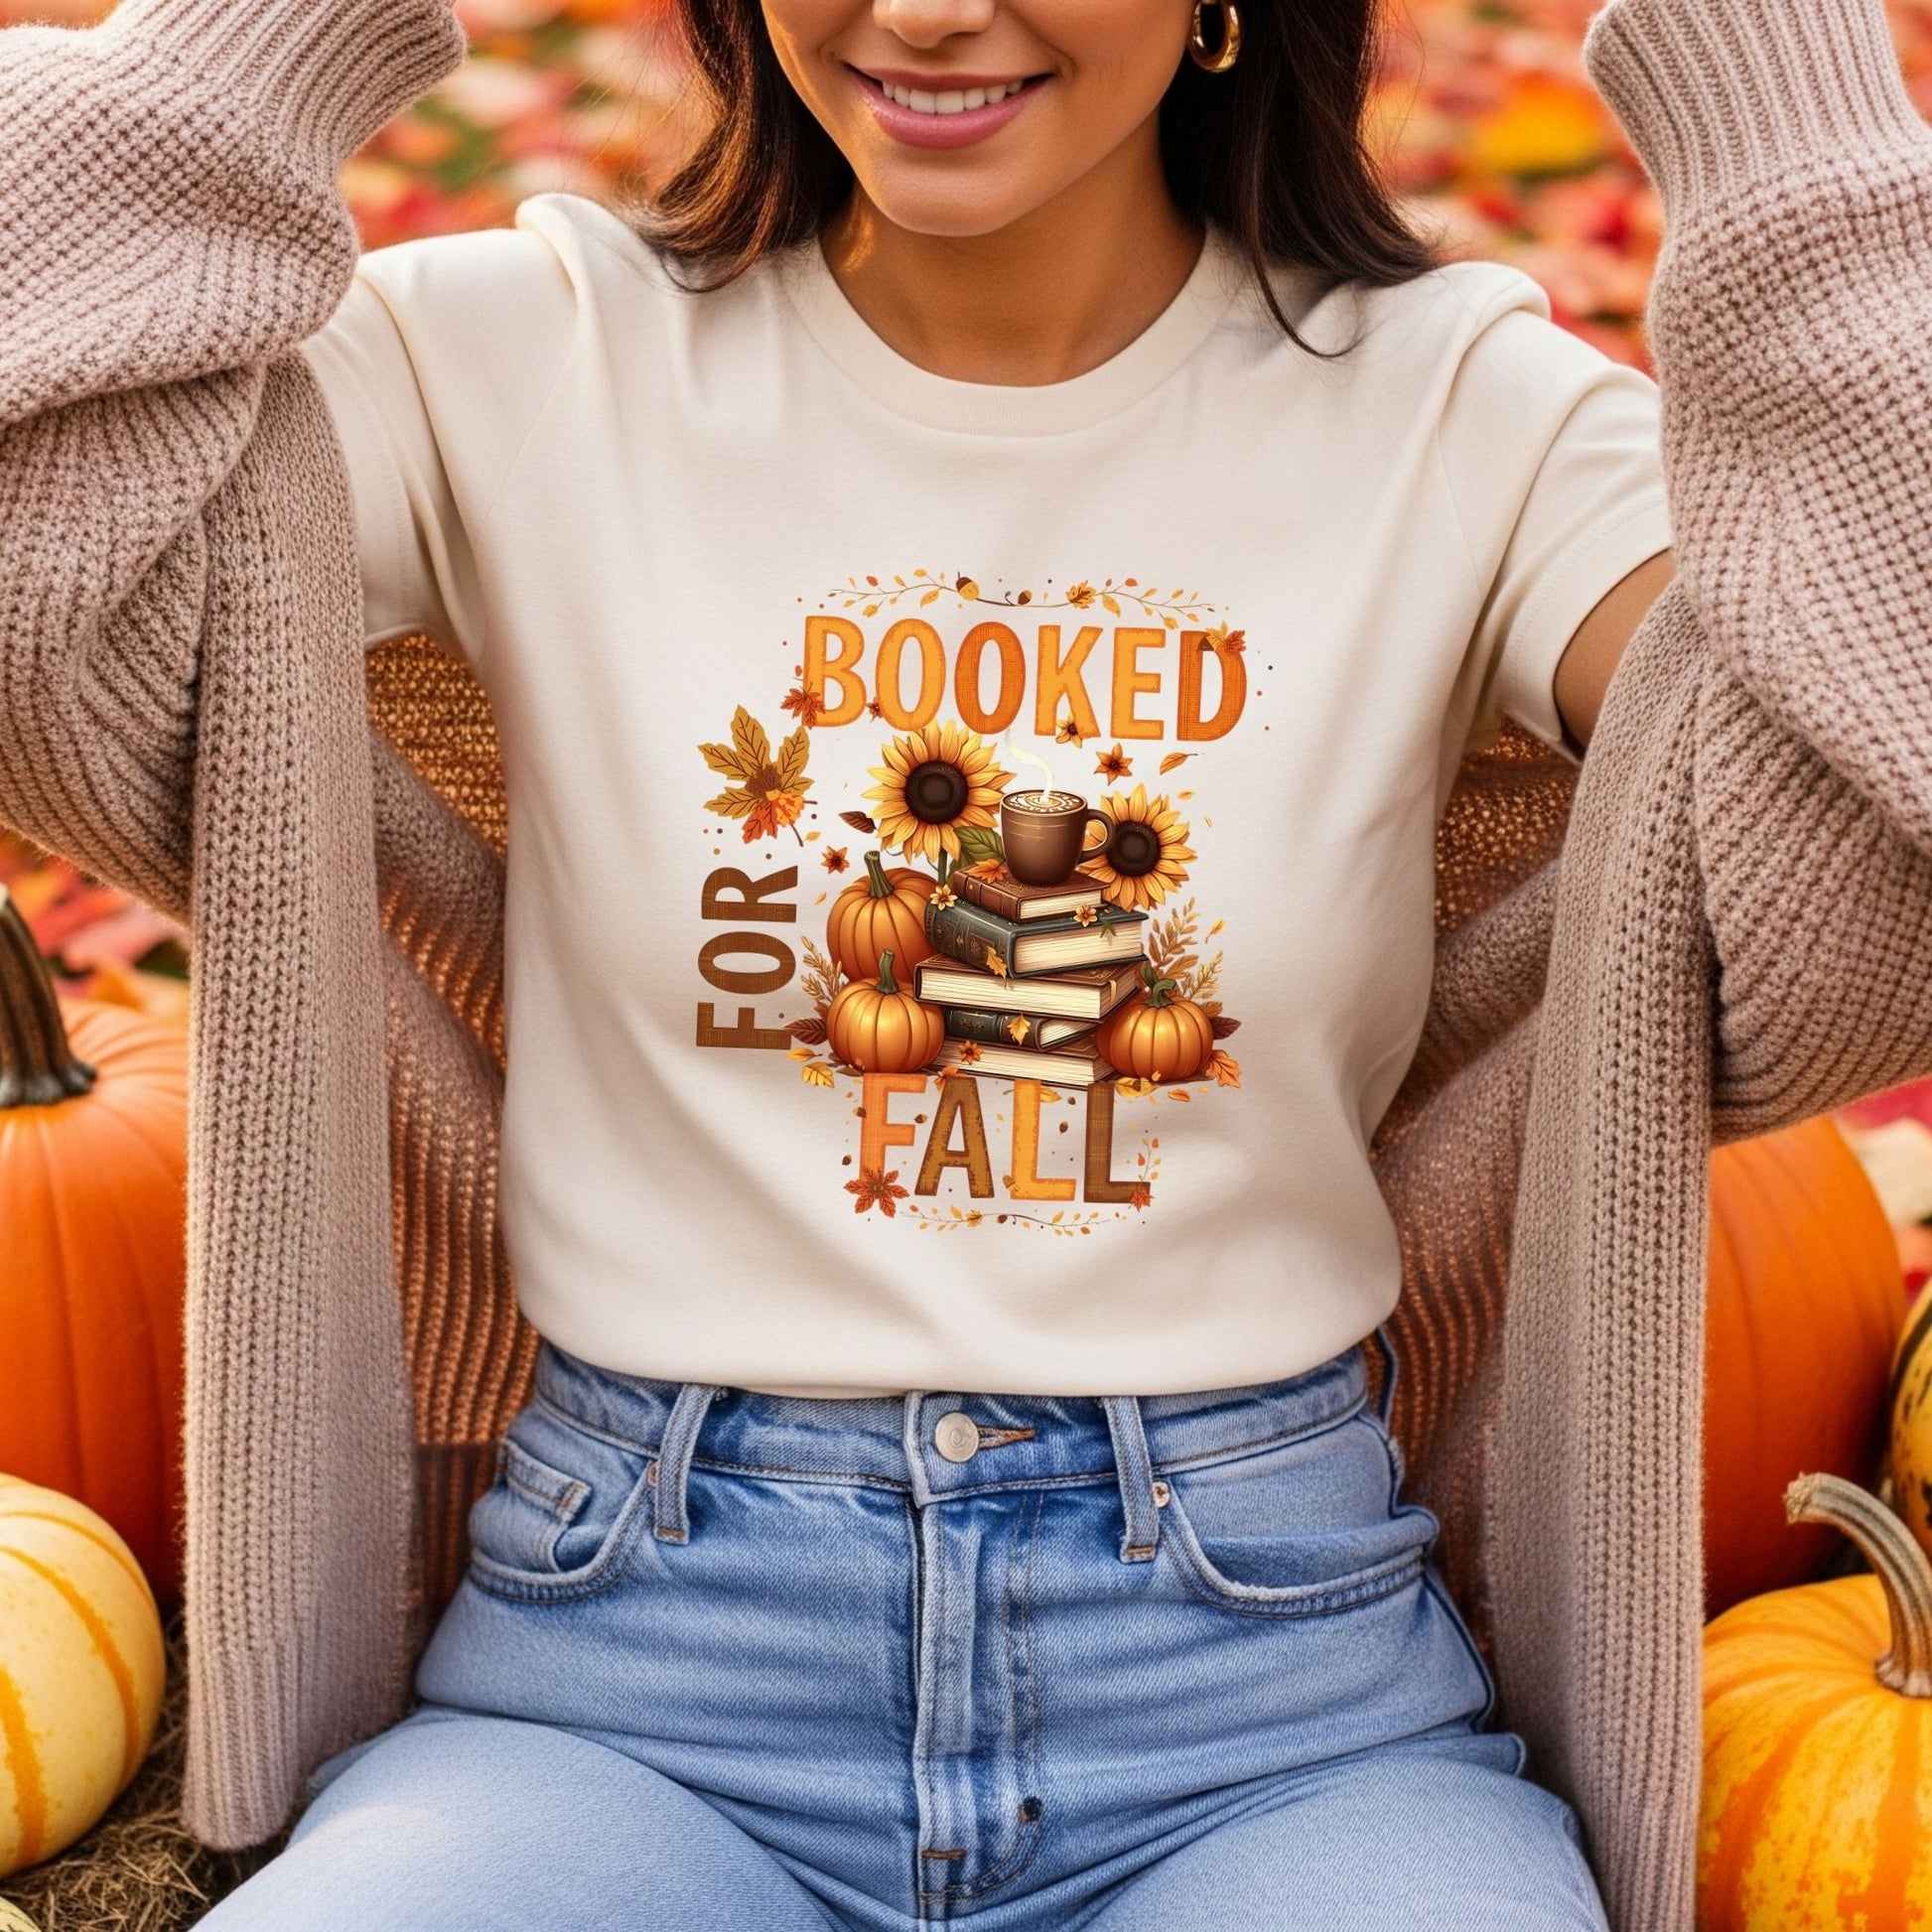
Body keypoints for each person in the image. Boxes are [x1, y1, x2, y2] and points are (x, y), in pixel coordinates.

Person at [5, 0, 1931, 1923]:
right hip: (631, 1682)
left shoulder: (1463, 419)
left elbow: (1866, 858)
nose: (925, 9)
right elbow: (39, 637)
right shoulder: (512, 358)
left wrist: (1788, 117)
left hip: (1268, 1699)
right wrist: (242, 44)